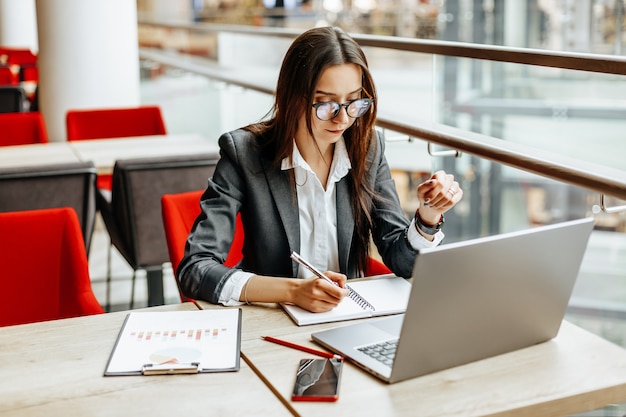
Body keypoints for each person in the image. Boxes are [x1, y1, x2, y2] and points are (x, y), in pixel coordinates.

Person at [178, 26, 463, 313]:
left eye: (354, 101)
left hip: (348, 317)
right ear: (292, 98)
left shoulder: (368, 148)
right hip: (269, 320)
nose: (342, 118)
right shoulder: (245, 153)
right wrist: (292, 291)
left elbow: (402, 261)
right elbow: (195, 270)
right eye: (326, 104)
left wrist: (428, 215)